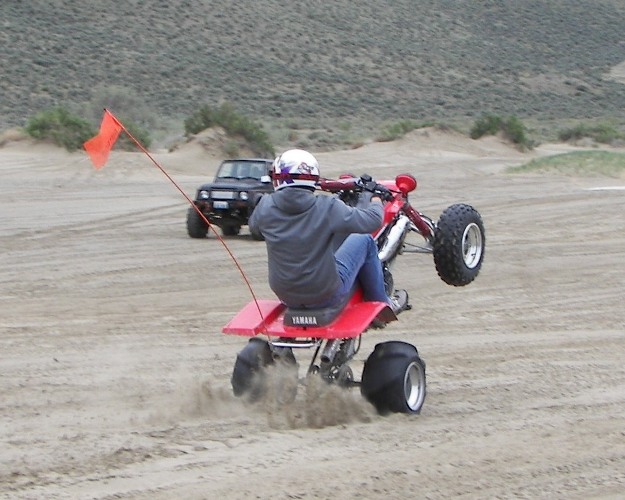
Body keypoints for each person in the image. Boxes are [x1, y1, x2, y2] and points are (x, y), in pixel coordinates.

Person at [248, 148, 408, 315]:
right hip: (324, 294)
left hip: (285, 295)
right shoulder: (327, 207)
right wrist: (374, 197)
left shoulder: (265, 206)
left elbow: (255, 230)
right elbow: (372, 221)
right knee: (364, 240)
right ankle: (382, 303)